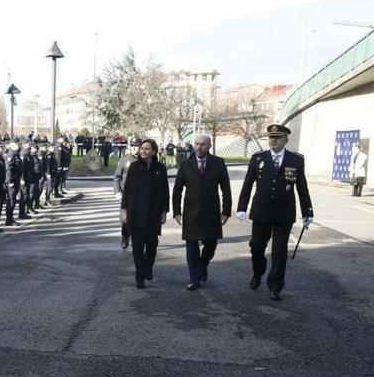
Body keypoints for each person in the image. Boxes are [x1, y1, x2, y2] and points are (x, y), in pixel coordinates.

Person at [237, 124, 314, 301]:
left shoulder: (295, 160)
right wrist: (242, 207)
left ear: (286, 139)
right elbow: (247, 184)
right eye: (271, 137)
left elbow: (302, 188)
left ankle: (275, 286)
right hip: (261, 211)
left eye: (278, 137)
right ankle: (258, 272)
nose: (273, 140)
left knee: (279, 252)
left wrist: (307, 211)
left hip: (283, 212)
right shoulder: (258, 159)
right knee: (256, 247)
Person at [172, 135, 232, 291]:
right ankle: (194, 279)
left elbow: (226, 188)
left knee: (211, 244)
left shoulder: (218, 163)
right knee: (191, 248)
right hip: (191, 212)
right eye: (197, 144)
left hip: (211, 212)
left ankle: (202, 266)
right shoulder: (185, 165)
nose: (199, 147)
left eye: (203, 144)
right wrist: (177, 212)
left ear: (209, 146)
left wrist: (226, 211)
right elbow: (177, 190)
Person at [120, 139, 169, 289]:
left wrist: (164, 211)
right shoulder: (134, 167)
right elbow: (126, 190)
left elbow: (165, 192)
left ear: (153, 151)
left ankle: (148, 267)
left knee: (152, 246)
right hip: (136, 214)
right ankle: (139, 276)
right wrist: (124, 211)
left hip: (153, 214)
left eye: (147, 149)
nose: (143, 151)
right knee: (138, 248)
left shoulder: (160, 168)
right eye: (142, 149)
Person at [113, 146, 138, 249]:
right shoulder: (124, 159)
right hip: (126, 193)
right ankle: (125, 236)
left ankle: (136, 238)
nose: (134, 148)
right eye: (132, 146)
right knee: (125, 217)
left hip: (139, 194)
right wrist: (117, 191)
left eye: (136, 146)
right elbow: (117, 177)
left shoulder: (144, 159)